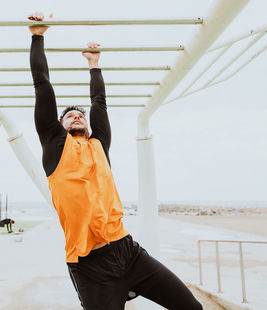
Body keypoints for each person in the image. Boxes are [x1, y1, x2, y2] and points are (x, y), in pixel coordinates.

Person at [28, 12, 202, 310]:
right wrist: (37, 37)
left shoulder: (99, 145)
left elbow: (99, 103)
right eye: (70, 115)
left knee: (191, 307)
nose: (77, 116)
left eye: (79, 114)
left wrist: (94, 65)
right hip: (89, 263)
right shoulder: (55, 147)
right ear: (59, 126)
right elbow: (42, 85)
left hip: (128, 251)